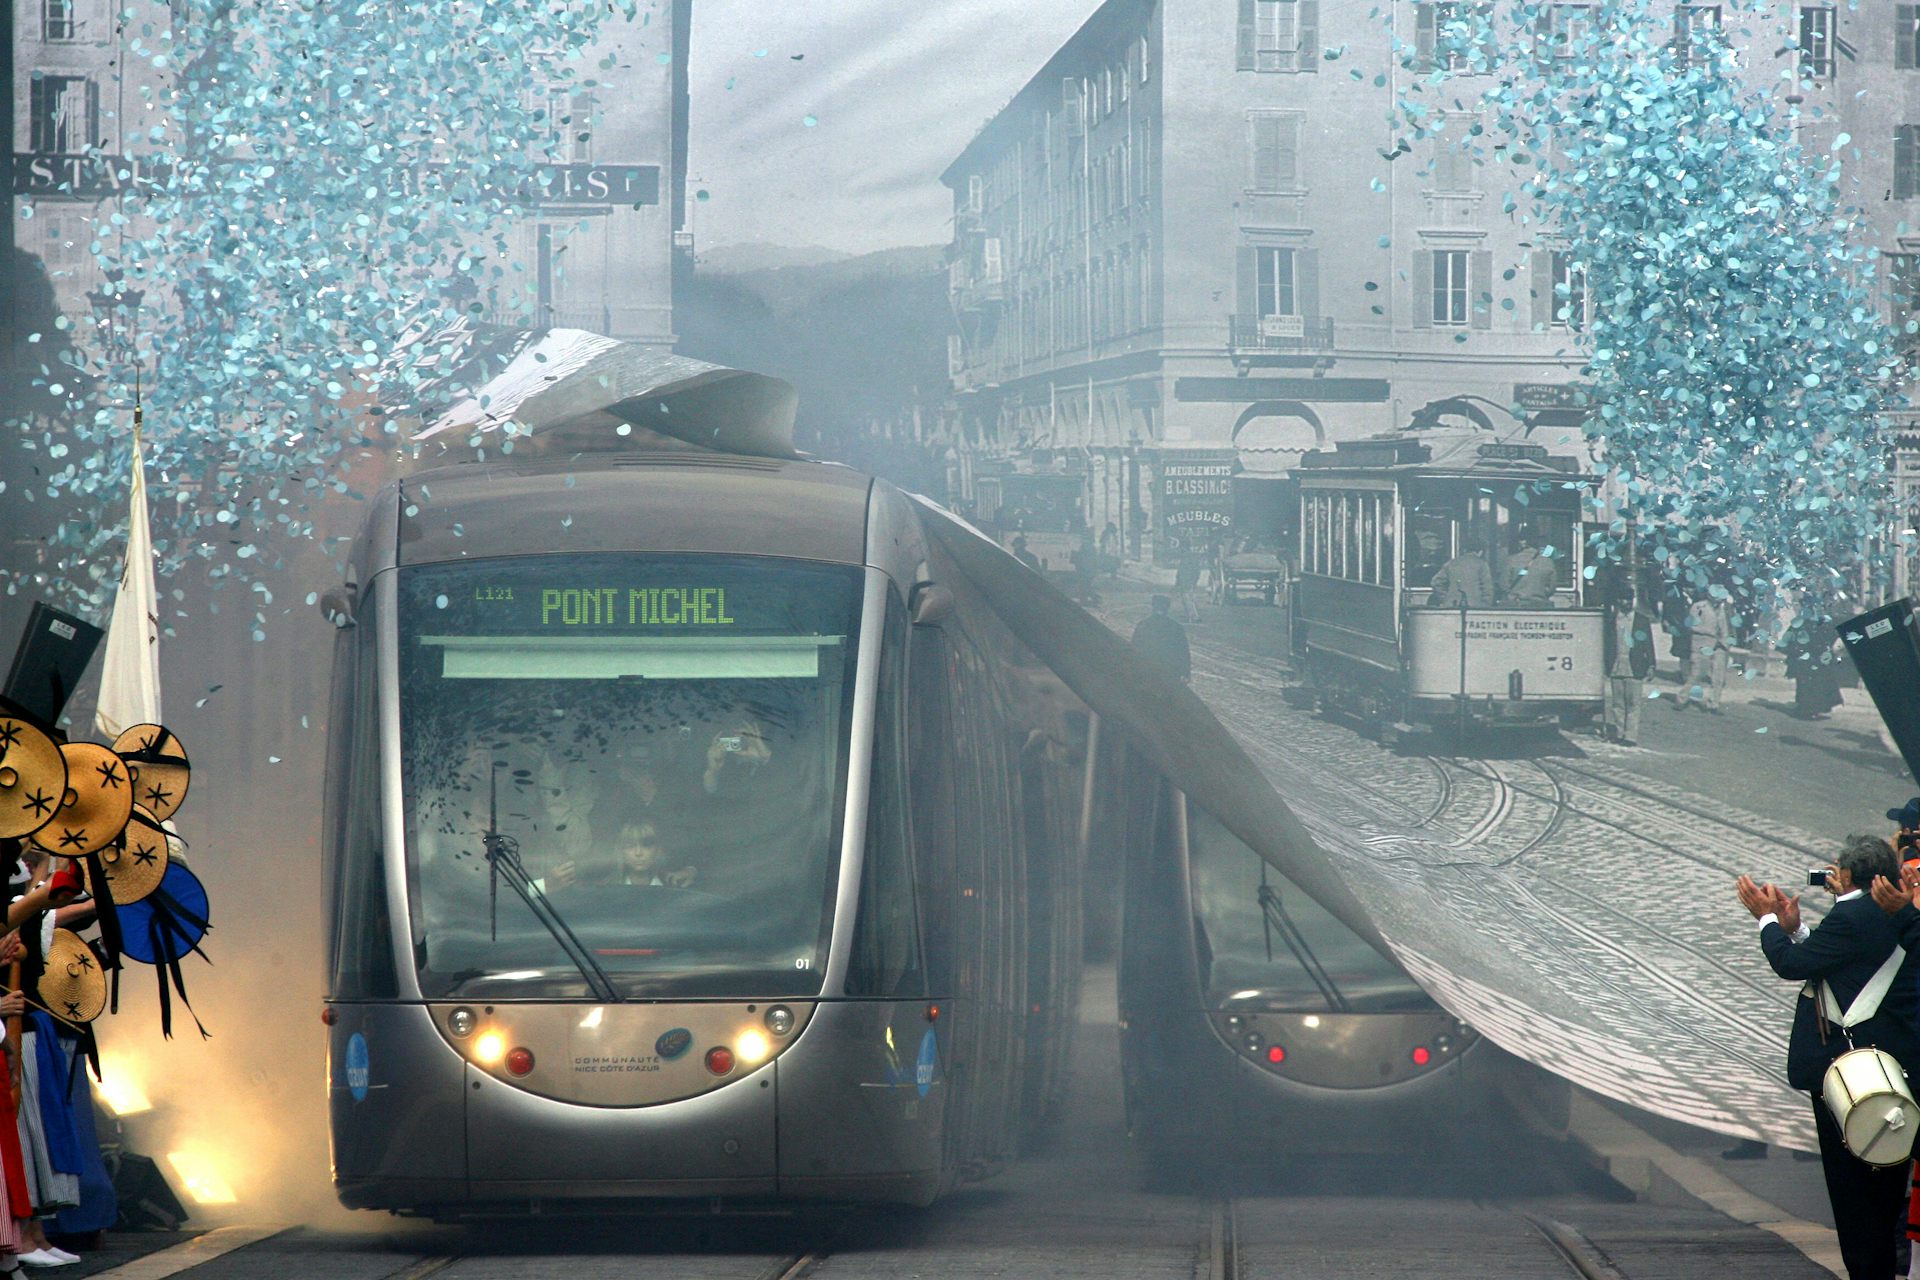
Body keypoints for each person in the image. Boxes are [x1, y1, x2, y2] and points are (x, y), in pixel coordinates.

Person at [1737, 835, 1920, 1280]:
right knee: (1885, 1187)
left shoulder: (1853, 914)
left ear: (1850, 873)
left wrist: (1766, 920)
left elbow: (1792, 965)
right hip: (1893, 1070)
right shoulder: (1883, 915)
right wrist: (1798, 930)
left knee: (1854, 1194)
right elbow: (1838, 962)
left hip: (1854, 1076)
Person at [1602, 585, 1653, 746]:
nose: (1627, 602)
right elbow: (1606, 644)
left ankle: (1630, 736)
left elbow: (1648, 644)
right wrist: (1605, 664)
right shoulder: (1611, 620)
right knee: (1618, 703)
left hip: (1635, 666)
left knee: (1633, 703)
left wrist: (1651, 664)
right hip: (1616, 666)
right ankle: (1619, 733)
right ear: (1618, 601)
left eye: (1629, 599)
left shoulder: (1641, 620)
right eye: (1623, 599)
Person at [1685, 593, 1732, 712]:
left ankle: (1713, 704)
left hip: (1720, 645)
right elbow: (1690, 625)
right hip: (1702, 643)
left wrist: (1725, 642)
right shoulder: (1698, 606)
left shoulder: (1724, 609)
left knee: (1718, 677)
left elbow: (1727, 628)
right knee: (1698, 673)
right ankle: (1682, 698)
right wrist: (1708, 632)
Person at [1130, 595, 1191, 683]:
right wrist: (1185, 672)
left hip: (1148, 671)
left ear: (1153, 606)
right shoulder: (1176, 627)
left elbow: (1134, 648)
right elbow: (1183, 651)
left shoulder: (1143, 625)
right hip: (1168, 672)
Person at [1500, 531, 1556, 608]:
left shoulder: (1511, 560)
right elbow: (1551, 588)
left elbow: (1504, 585)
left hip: (1516, 605)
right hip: (1539, 605)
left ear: (1521, 543)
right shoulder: (1548, 562)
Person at [1425, 545, 1493, 609]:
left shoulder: (1451, 563)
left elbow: (1435, 582)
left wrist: (1445, 597)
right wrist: (1486, 604)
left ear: (1465, 550)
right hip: (1475, 606)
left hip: (1452, 605)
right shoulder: (1482, 564)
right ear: (1481, 552)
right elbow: (1487, 587)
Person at [1172, 552, 1202, 623]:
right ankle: (1191, 616)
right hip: (1188, 582)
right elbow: (1197, 574)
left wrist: (1177, 584)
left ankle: (1193, 616)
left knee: (1187, 599)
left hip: (1185, 583)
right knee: (1188, 599)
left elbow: (1179, 575)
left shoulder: (1184, 564)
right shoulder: (1194, 564)